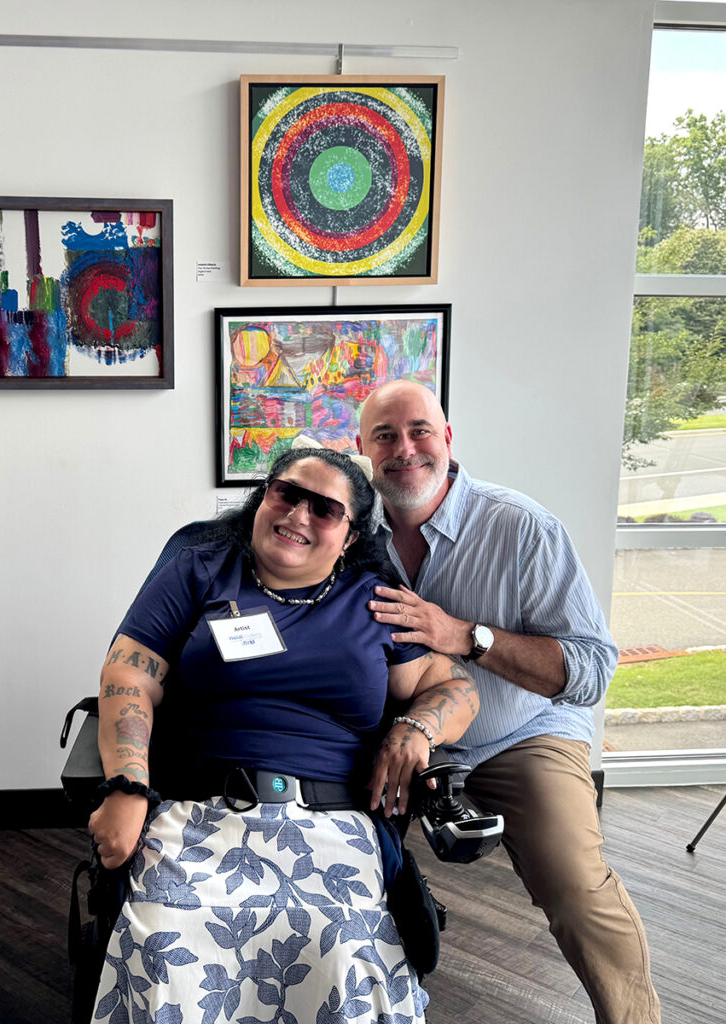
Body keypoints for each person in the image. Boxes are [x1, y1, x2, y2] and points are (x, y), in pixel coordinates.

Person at [88, 445, 479, 1024]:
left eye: (324, 509)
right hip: (200, 810)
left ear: (349, 536)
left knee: (346, 952)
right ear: (262, 497)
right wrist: (127, 786)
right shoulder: (199, 571)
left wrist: (415, 728)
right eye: (287, 493)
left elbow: (454, 685)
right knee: (166, 938)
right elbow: (128, 674)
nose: (298, 515)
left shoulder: (372, 602)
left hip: (333, 820)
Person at [356, 380, 661, 1024]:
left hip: (518, 733)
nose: (404, 448)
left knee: (575, 886)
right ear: (362, 447)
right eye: (385, 435)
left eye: (419, 431)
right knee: (336, 863)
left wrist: (465, 636)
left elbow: (590, 669)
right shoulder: (351, 531)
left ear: (447, 439)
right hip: (398, 735)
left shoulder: (521, 528)